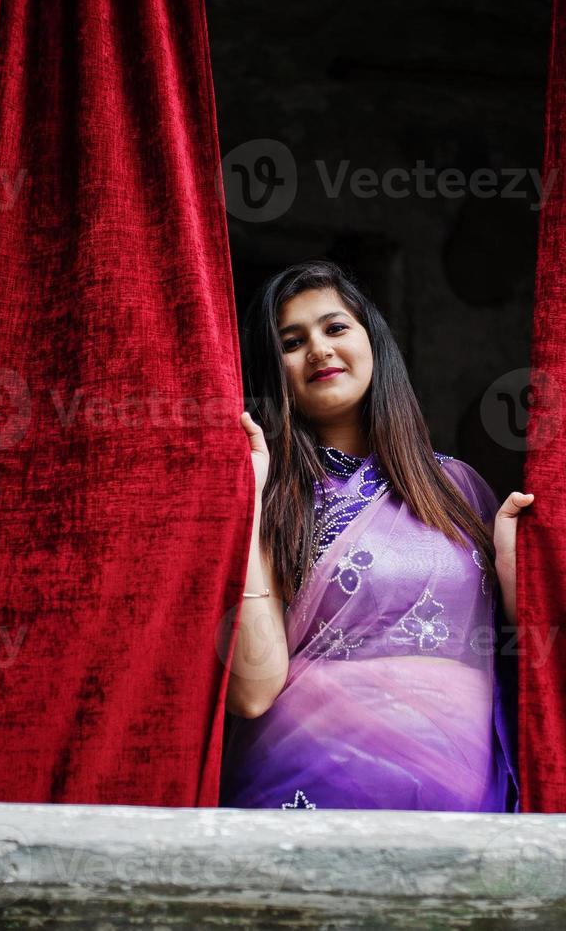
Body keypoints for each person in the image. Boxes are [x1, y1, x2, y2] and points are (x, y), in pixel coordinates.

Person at [220, 259, 533, 812]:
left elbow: (519, 660)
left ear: (373, 341)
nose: (318, 349)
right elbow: (252, 691)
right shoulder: (273, 499)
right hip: (308, 799)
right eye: (292, 342)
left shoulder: (458, 489)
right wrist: (244, 504)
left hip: (461, 814)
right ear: (273, 369)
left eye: (335, 327)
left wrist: (513, 581)